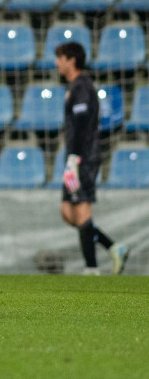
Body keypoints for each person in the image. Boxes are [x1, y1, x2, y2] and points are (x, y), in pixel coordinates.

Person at [54, 42, 130, 275]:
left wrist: (74, 159)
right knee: (68, 212)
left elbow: (81, 127)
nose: (57, 63)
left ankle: (91, 269)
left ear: (71, 60)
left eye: (60, 58)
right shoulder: (74, 87)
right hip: (74, 158)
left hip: (83, 159)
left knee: (82, 210)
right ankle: (113, 247)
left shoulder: (83, 88)